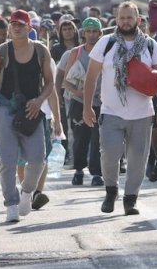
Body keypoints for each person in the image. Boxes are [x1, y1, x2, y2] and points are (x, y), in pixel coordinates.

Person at [82, 1, 157, 215]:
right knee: (109, 153)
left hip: (142, 113)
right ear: (116, 20)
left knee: (138, 159)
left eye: (130, 18)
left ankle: (131, 199)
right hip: (111, 111)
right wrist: (87, 107)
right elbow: (91, 78)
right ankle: (111, 190)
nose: (126, 22)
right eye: (122, 18)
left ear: (138, 20)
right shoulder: (106, 43)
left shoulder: (149, 45)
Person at [0, 9, 62, 223]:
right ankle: (11, 204)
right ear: (9, 27)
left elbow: (50, 83)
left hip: (32, 111)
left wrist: (39, 101)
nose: (17, 28)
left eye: (21, 25)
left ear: (29, 27)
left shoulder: (41, 51)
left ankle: (27, 192)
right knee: (7, 162)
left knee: (38, 159)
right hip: (5, 109)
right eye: (14, 24)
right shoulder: (0, 53)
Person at [64, 17, 104, 187]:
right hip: (79, 101)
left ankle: (97, 173)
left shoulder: (106, 51)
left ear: (100, 33)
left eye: (95, 31)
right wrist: (78, 92)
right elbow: (66, 81)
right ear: (83, 33)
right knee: (80, 138)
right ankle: (79, 170)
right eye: (88, 31)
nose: (92, 35)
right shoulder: (77, 53)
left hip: (101, 102)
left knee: (98, 139)